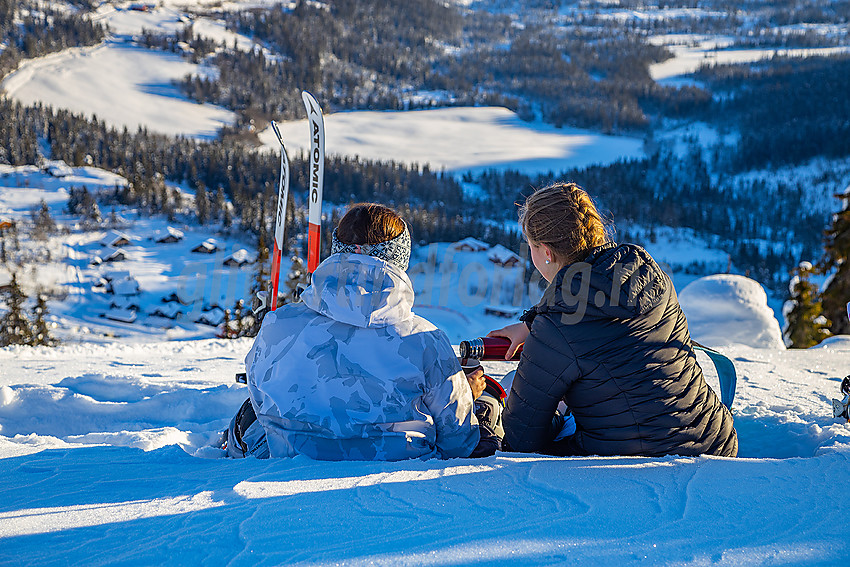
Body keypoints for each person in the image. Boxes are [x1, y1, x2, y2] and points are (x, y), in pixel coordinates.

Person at [225, 203, 502, 460]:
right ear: (399, 257)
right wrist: (466, 393)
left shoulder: (278, 325)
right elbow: (458, 443)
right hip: (398, 476)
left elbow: (261, 400)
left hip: (289, 465)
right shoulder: (425, 340)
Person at [488, 182, 738, 458]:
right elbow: (605, 313)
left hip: (637, 465)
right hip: (716, 442)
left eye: (530, 246)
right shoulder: (648, 273)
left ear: (546, 252)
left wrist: (557, 409)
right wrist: (534, 324)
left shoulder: (556, 328)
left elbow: (522, 440)